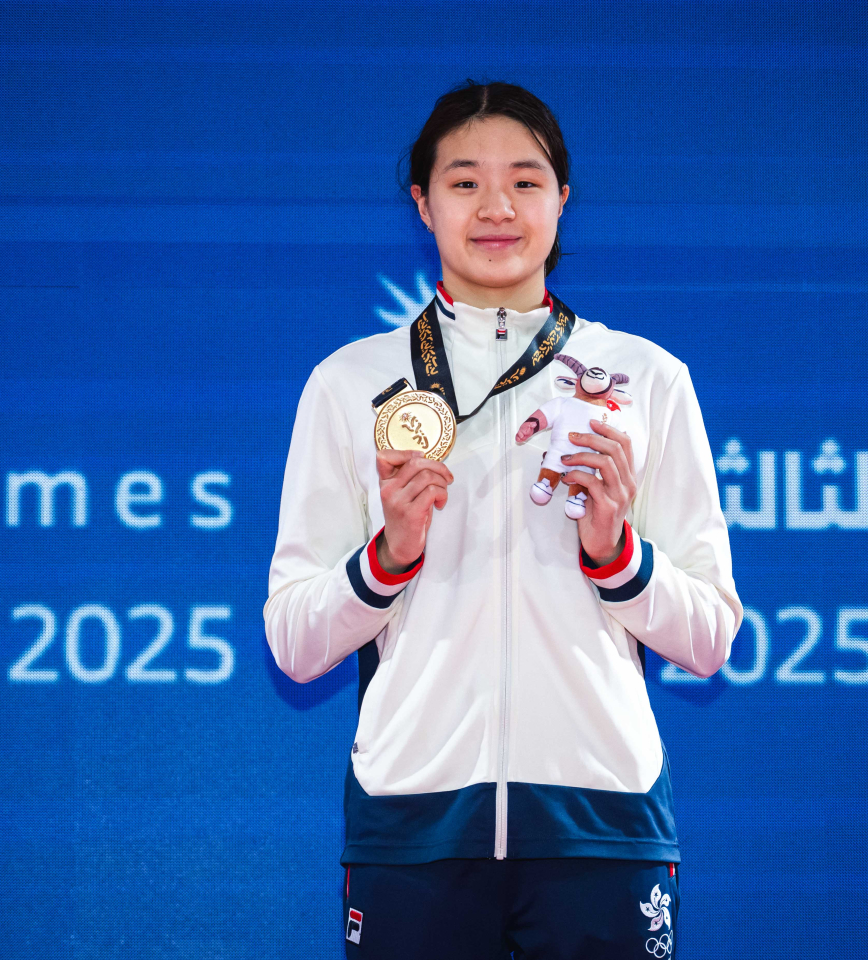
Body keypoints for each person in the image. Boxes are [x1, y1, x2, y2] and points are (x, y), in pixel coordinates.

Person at [265, 80, 742, 958]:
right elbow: (294, 645)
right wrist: (386, 559)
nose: (496, 207)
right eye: (463, 182)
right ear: (422, 203)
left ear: (564, 197)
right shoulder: (349, 384)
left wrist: (620, 557)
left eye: (525, 181)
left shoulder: (646, 378)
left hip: (602, 821)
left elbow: (711, 636)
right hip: (413, 823)